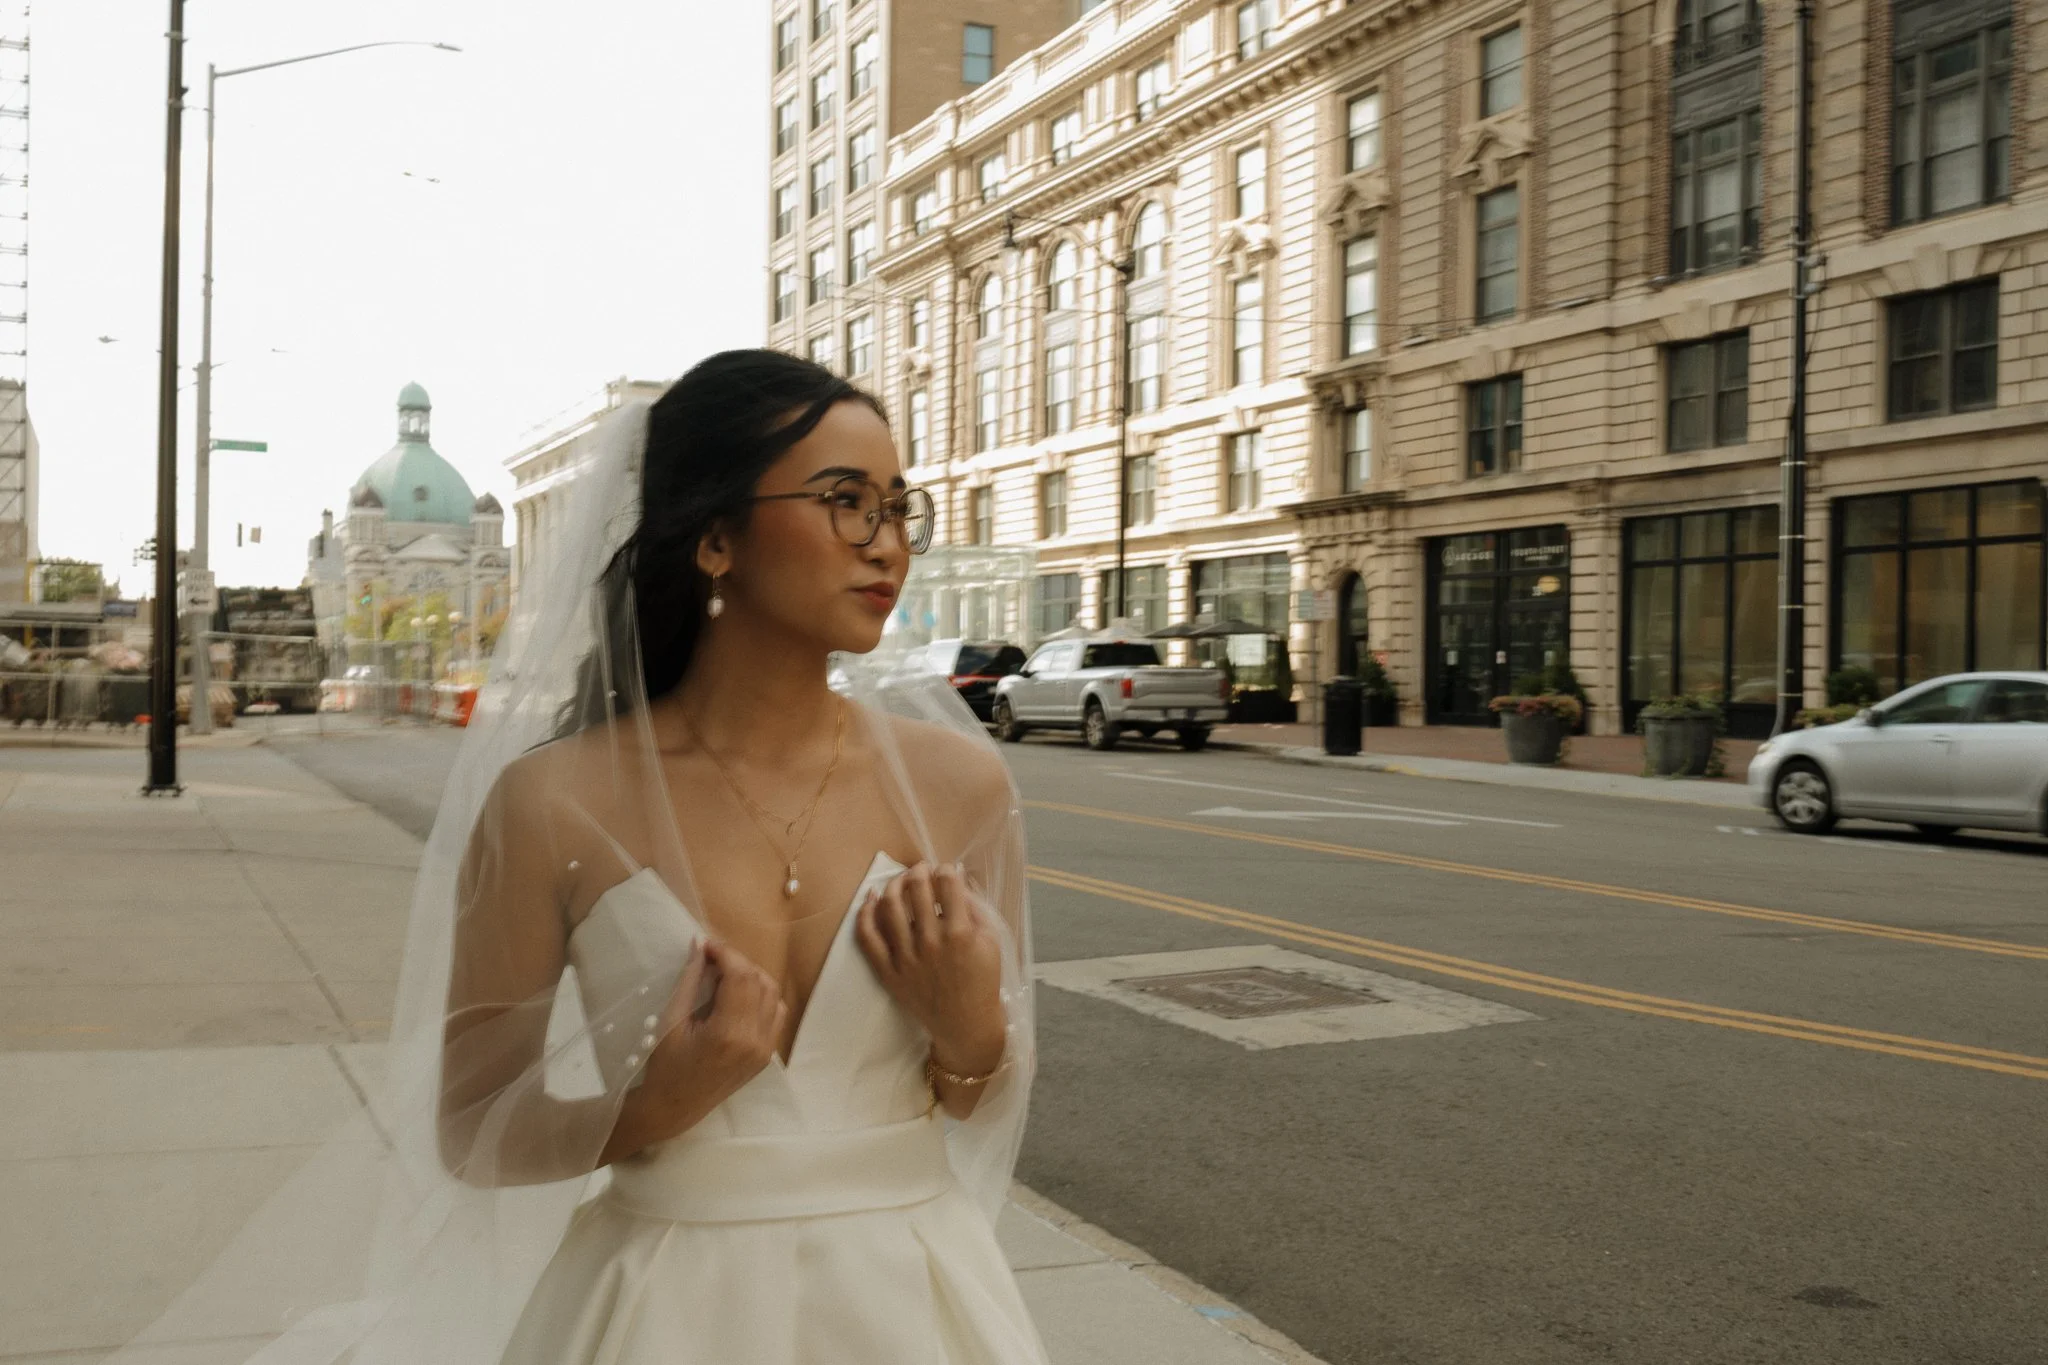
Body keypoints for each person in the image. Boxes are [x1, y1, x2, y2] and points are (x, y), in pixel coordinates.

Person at [106, 351, 1043, 1365]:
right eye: (844, 500)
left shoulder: (958, 786)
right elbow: (470, 1130)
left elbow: (980, 1098)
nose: (886, 543)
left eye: (899, 508)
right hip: (659, 1313)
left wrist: (967, 1026)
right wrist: (652, 1107)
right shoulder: (552, 804)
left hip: (918, 1306)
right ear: (716, 537)